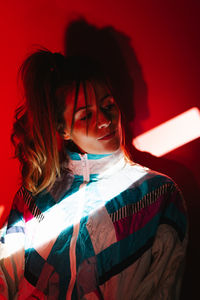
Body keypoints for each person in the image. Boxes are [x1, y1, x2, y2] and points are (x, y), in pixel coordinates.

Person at [0, 49, 188, 300]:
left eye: (108, 105)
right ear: (62, 128)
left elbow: (164, 287)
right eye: (86, 115)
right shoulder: (34, 196)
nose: (104, 121)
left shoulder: (158, 194)